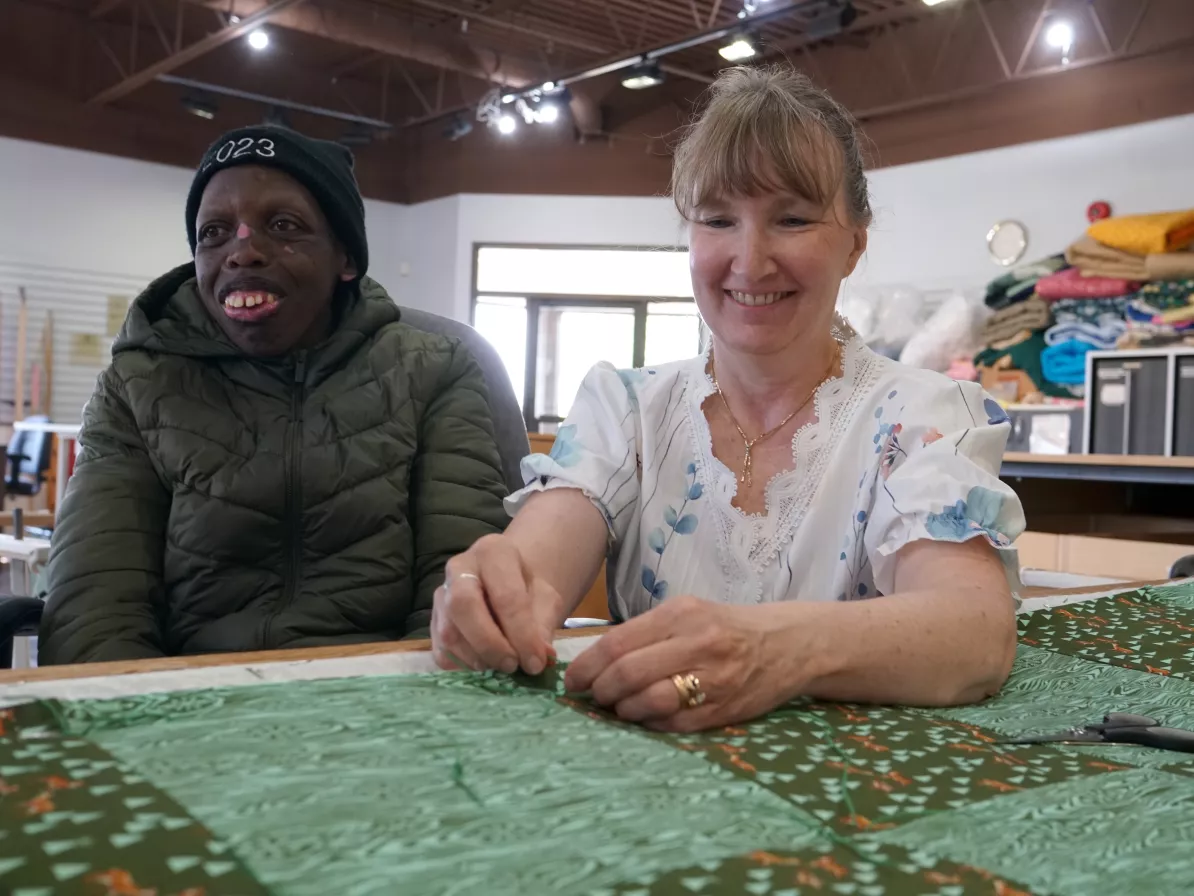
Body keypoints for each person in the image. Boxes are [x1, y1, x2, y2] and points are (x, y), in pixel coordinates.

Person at [431, 66, 1026, 731]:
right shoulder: (626, 409)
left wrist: (777, 650)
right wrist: (492, 596)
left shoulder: (922, 419)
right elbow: (534, 566)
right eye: (717, 219)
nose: (750, 260)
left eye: (792, 219)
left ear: (855, 242)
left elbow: (973, 632)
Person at [40, 126, 508, 664]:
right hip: (190, 705)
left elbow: (457, 587)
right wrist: (137, 720)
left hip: (386, 698)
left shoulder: (433, 371)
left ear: (346, 259)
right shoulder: (138, 386)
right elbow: (96, 605)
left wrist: (405, 720)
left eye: (284, 226)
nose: (241, 252)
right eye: (214, 233)